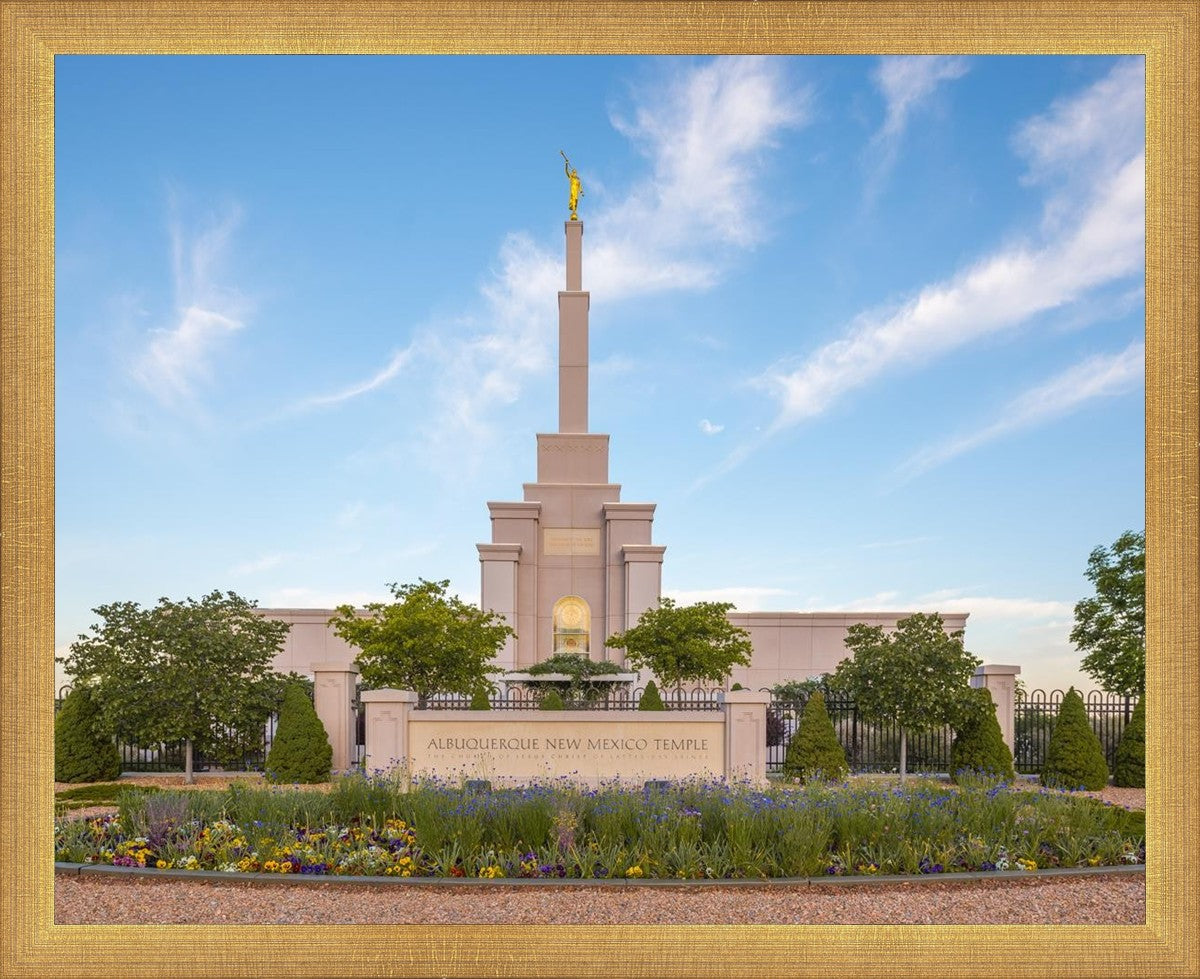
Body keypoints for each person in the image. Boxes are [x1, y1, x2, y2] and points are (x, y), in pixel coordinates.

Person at [561, 151, 583, 219]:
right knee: (573, 199)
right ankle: (573, 211)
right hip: (572, 189)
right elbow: (566, 171)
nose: (574, 173)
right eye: (573, 172)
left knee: (576, 200)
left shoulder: (577, 180)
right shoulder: (571, 178)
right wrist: (566, 164)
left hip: (576, 190)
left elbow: (580, 186)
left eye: (575, 172)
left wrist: (581, 191)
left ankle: (574, 210)